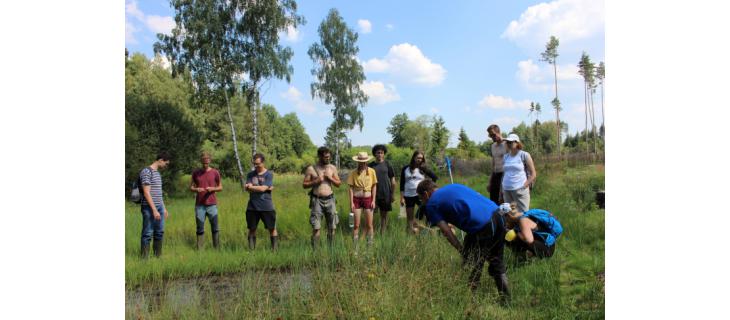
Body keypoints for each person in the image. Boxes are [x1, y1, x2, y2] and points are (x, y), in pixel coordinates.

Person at [416, 180, 510, 301]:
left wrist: (460, 249)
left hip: (483, 225)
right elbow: (477, 195)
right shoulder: (454, 186)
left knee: (473, 264)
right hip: (499, 214)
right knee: (496, 259)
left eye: (421, 199)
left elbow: (446, 231)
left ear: (426, 194)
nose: (422, 202)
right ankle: (506, 300)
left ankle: (470, 300)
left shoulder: (431, 204)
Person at [303, 147, 342, 249]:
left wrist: (330, 178)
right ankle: (315, 251)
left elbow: (338, 183)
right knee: (316, 227)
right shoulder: (311, 169)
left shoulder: (332, 168)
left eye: (329, 157)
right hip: (317, 200)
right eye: (326, 157)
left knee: (332, 227)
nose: (328, 159)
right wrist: (316, 181)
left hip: (330, 200)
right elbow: (304, 185)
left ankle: (331, 250)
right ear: (320, 156)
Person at [138, 152, 171, 258]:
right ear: (160, 160)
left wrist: (163, 208)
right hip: (148, 208)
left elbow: (158, 193)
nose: (166, 166)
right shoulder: (146, 172)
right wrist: (154, 210)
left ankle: (158, 257)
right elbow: (146, 192)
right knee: (148, 233)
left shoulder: (157, 173)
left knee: (159, 232)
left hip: (159, 207)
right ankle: (144, 259)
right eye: (166, 164)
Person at [245, 153, 278, 251]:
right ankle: (251, 252)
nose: (256, 166)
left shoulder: (269, 174)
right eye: (254, 164)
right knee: (252, 229)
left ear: (263, 162)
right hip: (252, 207)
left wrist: (253, 187)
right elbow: (247, 188)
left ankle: (274, 251)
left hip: (266, 206)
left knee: (272, 228)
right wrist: (265, 188)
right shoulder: (250, 174)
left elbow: (262, 189)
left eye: (258, 164)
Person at [190, 152, 222, 250]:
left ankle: (216, 249)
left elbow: (220, 187)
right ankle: (200, 250)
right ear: (201, 161)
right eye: (204, 161)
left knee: (215, 227)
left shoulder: (215, 172)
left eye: (207, 161)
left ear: (210, 161)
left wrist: (213, 189)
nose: (205, 164)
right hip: (200, 205)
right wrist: (196, 189)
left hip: (212, 204)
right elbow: (191, 187)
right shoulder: (196, 173)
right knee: (200, 227)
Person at [400, 151, 438, 233]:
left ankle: (428, 231)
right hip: (408, 195)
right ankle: (410, 233)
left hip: (420, 195)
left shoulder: (423, 169)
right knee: (409, 217)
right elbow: (402, 184)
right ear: (414, 158)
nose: (420, 159)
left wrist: (429, 188)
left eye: (421, 158)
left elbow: (434, 177)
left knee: (426, 214)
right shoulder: (405, 169)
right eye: (418, 157)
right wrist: (401, 197)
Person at [348, 152, 378, 247]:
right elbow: (350, 188)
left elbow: (374, 186)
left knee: (369, 225)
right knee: (356, 225)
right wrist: (351, 202)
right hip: (356, 199)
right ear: (358, 161)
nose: (362, 163)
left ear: (367, 161)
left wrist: (373, 200)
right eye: (360, 161)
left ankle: (370, 246)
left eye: (364, 161)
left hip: (368, 199)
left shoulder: (372, 171)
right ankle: (355, 247)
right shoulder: (353, 172)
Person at [501, 133, 537, 213]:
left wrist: (524, 186)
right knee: (510, 215)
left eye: (511, 142)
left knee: (523, 215)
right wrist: (502, 189)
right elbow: (505, 174)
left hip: (520, 190)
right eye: (507, 142)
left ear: (517, 143)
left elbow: (533, 173)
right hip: (506, 190)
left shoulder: (524, 155)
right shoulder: (506, 156)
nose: (509, 144)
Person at [368, 144, 396, 234]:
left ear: (384, 154)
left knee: (384, 215)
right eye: (378, 153)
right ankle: (371, 232)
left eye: (381, 153)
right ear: (374, 154)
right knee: (370, 214)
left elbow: (393, 179)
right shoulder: (370, 165)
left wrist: (392, 194)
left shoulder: (387, 164)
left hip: (386, 193)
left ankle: (382, 233)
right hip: (373, 194)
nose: (380, 154)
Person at [486, 124, 507, 204]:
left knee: (502, 200)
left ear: (498, 132)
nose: (492, 137)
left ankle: (505, 216)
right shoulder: (493, 146)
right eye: (490, 135)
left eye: (493, 135)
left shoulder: (507, 144)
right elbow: (493, 164)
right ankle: (495, 216)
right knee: (493, 200)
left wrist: (503, 139)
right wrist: (490, 181)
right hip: (495, 174)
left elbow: (518, 145)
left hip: (504, 175)